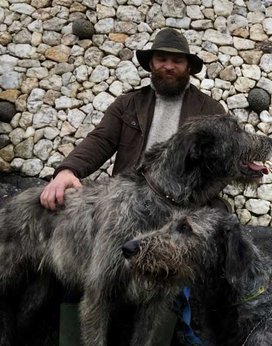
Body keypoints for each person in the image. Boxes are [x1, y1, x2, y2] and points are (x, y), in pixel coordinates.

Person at [41, 28, 225, 345]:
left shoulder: (210, 112)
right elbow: (99, 140)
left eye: (176, 61)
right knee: (85, 275)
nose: (168, 66)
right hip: (125, 208)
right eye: (161, 59)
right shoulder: (128, 104)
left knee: (171, 285)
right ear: (150, 64)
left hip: (175, 215)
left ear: (189, 68)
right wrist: (67, 170)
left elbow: (219, 167)